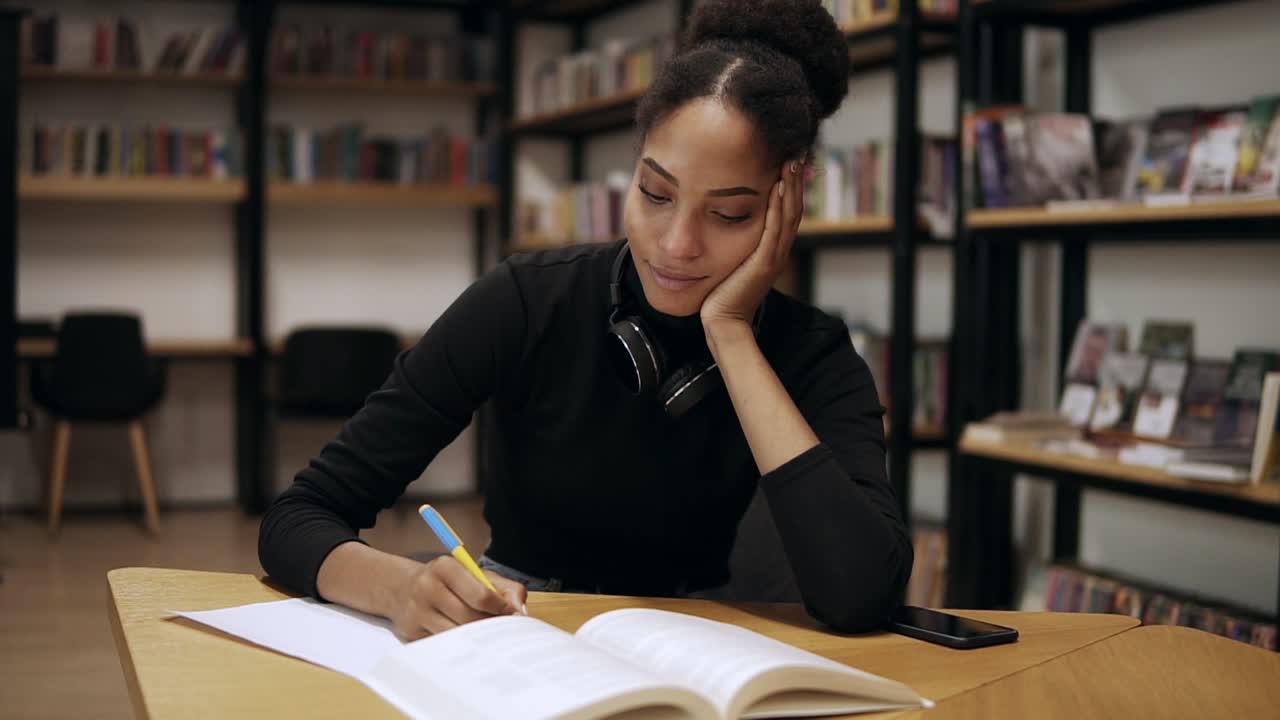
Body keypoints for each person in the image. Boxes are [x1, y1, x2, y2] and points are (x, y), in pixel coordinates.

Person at [259, 0, 911, 641]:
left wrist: (732, 336)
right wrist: (401, 586)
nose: (677, 243)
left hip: (693, 643)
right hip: (517, 632)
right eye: (655, 194)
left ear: (785, 209)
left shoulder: (812, 352)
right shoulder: (526, 300)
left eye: (730, 214)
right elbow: (297, 517)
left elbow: (860, 595)